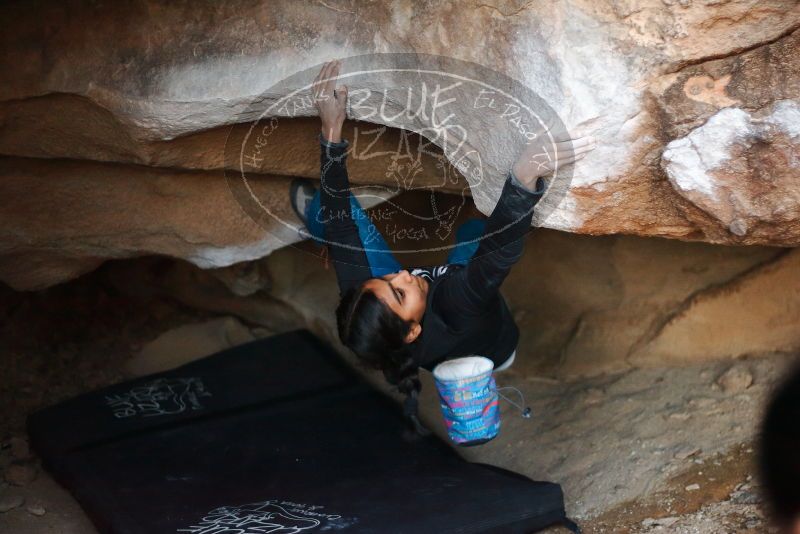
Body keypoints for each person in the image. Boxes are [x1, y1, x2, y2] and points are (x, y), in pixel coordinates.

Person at [290, 59, 595, 435]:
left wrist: (331, 130)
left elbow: (343, 228)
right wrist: (524, 176)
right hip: (491, 339)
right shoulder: (454, 309)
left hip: (424, 334)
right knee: (473, 234)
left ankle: (313, 214)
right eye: (399, 293)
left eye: (386, 282)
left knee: (337, 219)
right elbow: (497, 256)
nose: (402, 274)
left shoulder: (368, 319)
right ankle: (469, 370)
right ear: (412, 332)